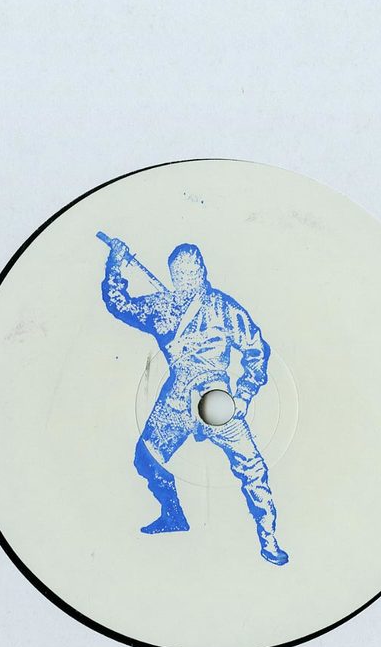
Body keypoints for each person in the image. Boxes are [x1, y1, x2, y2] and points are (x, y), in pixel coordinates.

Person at [100, 238, 288, 565]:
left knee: (253, 470)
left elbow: (257, 350)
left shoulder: (223, 308)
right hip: (176, 401)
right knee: (146, 458)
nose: (185, 279)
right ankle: (173, 515)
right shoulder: (163, 307)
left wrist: (244, 394)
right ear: (172, 276)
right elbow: (120, 305)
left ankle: (269, 540)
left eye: (191, 272)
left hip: (218, 401)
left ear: (202, 272)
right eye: (179, 274)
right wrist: (115, 264)